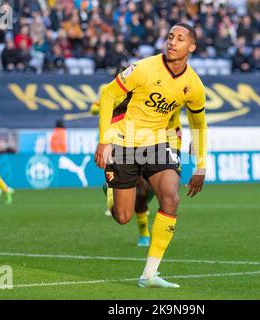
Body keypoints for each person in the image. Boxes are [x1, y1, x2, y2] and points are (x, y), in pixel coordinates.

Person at [94, 23, 207, 288]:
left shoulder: (193, 84)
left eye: (180, 39)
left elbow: (199, 125)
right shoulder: (144, 68)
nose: (172, 42)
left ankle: (149, 275)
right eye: (169, 37)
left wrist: (201, 165)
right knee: (123, 216)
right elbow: (107, 93)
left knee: (171, 197)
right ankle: (110, 190)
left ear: (191, 47)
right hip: (123, 143)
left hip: (157, 144)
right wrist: (103, 140)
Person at [92, 99, 183, 248]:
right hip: (141, 141)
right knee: (140, 191)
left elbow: (196, 110)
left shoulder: (179, 87)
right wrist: (103, 107)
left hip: (171, 143)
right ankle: (144, 233)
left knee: (166, 192)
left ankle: (125, 197)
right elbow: (97, 107)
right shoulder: (133, 92)